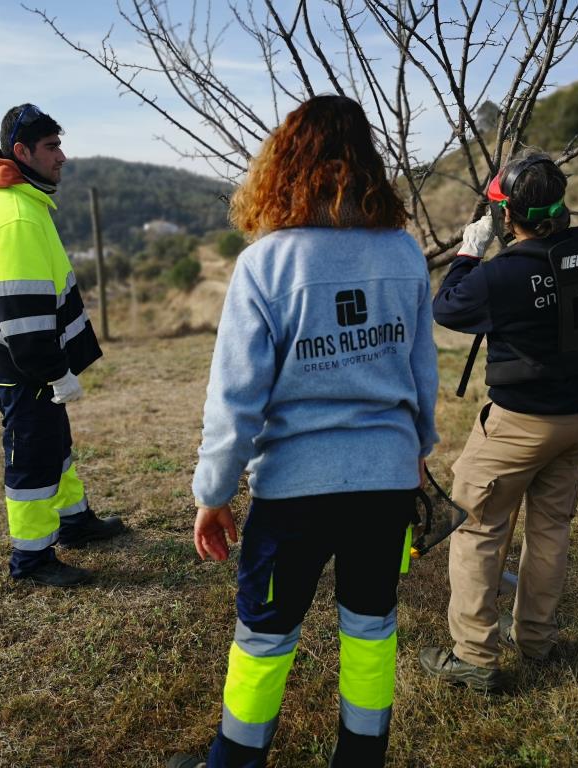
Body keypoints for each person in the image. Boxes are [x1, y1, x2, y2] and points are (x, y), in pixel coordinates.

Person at [168, 95, 439, 768]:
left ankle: (234, 762)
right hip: (385, 482)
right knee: (371, 627)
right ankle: (361, 757)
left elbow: (235, 398)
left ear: (283, 164)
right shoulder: (404, 255)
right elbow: (423, 371)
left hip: (293, 493)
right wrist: (418, 454)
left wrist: (214, 491)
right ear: (368, 165)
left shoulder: (267, 263)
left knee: (264, 634)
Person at [420, 151, 578, 691]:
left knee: (478, 529)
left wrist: (470, 250)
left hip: (518, 426)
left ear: (505, 215)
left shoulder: (505, 275)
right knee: (550, 530)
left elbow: (447, 307)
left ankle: (473, 656)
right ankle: (536, 640)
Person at [0, 103, 126, 587]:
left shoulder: (18, 199)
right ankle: (32, 559)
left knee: (54, 442)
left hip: (25, 360)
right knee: (33, 455)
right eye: (52, 147)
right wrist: (55, 371)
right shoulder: (16, 216)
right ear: (22, 152)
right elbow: (24, 316)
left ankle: (74, 522)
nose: (62, 156)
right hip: (24, 365)